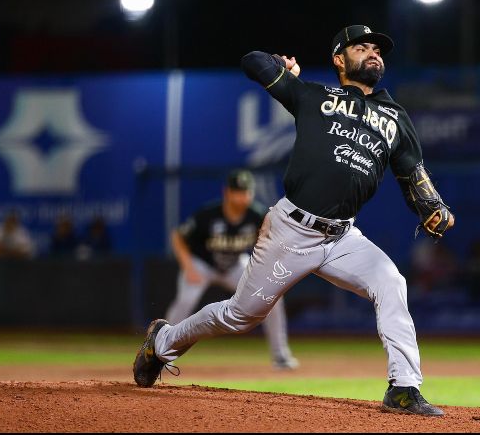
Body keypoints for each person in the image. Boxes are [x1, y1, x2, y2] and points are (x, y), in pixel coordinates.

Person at [133, 25, 454, 416]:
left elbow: (412, 175)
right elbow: (251, 62)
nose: (373, 53)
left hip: (343, 237)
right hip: (292, 229)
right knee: (241, 315)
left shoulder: (396, 117)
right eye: (361, 47)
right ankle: (162, 341)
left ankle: (403, 387)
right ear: (339, 59)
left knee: (391, 281)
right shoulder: (314, 96)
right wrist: (280, 68)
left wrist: (432, 207)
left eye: (377, 49)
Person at [164, 169, 298, 370]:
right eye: (238, 191)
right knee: (185, 301)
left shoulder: (257, 215)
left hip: (235, 265)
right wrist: (189, 267)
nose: (243, 196)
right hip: (202, 265)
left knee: (271, 297)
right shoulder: (208, 214)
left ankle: (280, 354)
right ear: (227, 192)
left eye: (246, 191)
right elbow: (178, 237)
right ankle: (163, 351)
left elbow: (274, 243)